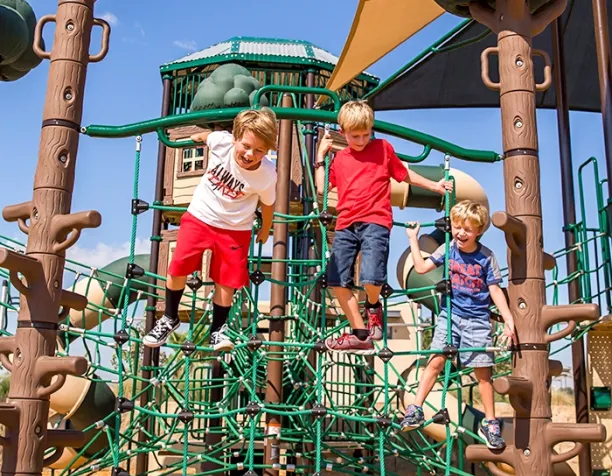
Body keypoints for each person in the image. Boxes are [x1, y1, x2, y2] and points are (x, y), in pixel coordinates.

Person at [315, 100, 452, 354]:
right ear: (343, 132)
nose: (361, 139)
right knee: (335, 281)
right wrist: (320, 157)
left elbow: (405, 174)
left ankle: (374, 306)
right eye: (355, 135)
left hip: (375, 221)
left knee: (371, 276)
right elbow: (322, 189)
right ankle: (360, 334)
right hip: (345, 224)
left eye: (366, 134)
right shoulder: (341, 159)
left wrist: (435, 186)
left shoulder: (383, 149)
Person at [143, 109, 278, 350]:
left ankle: (218, 330)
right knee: (178, 267)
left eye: (259, 151)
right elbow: (208, 136)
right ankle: (170, 317)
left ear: (267, 151)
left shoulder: (266, 174)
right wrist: (199, 136)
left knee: (226, 281)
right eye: (246, 146)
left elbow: (268, 204)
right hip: (200, 217)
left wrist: (266, 229)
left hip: (235, 229)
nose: (250, 154)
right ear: (235, 138)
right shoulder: (222, 142)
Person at [400, 200, 516, 450]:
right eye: (457, 226)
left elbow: (494, 290)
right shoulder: (447, 248)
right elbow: (420, 268)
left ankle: (490, 422)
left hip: (477, 320)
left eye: (468, 228)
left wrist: (508, 320)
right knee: (435, 361)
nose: (461, 232)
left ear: (479, 231)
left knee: (483, 374)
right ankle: (416, 408)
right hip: (449, 315)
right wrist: (413, 238)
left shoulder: (486, 257)